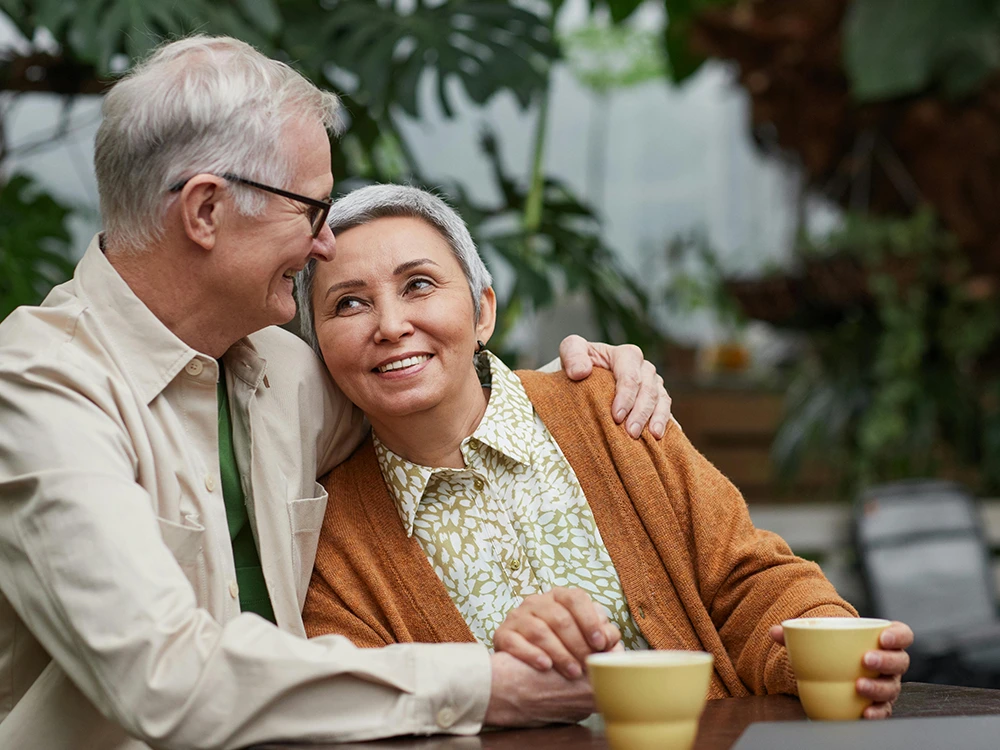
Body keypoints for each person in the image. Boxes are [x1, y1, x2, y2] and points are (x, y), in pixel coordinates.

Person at [0, 37, 675, 749]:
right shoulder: (36, 391)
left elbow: (425, 387)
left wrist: (583, 387)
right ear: (205, 211)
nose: (324, 245)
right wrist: (485, 685)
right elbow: (163, 677)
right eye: (311, 210)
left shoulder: (285, 373)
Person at [298, 184, 914, 720]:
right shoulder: (330, 538)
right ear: (317, 344)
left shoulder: (609, 405)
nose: (390, 324)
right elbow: (366, 711)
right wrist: (494, 680)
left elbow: (745, 578)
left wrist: (819, 648)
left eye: (419, 285)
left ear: (482, 310)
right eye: (348, 303)